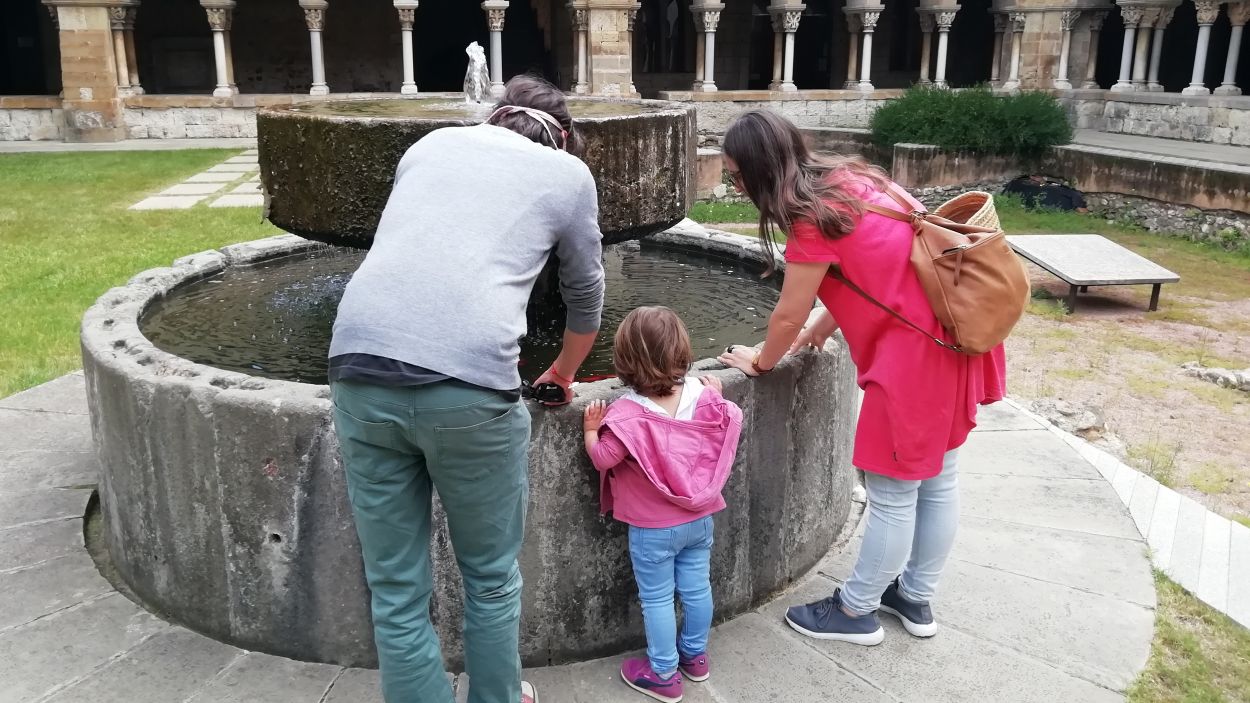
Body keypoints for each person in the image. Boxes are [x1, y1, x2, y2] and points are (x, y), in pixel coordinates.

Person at [328, 75, 606, 703]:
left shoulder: (428, 146)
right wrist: (561, 372)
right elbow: (585, 297)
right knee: (488, 578)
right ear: (563, 139)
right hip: (470, 387)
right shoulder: (567, 176)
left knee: (395, 586)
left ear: (494, 116)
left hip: (357, 366)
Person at [715, 109, 1006, 646]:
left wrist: (761, 362)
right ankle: (914, 597)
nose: (733, 185)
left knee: (893, 495)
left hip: (914, 362)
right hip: (951, 338)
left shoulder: (809, 218)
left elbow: (785, 314)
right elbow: (884, 267)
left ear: (758, 170)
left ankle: (857, 612)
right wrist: (825, 326)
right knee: (939, 480)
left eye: (735, 175)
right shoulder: (854, 179)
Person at [583, 307, 743, 703]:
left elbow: (604, 458)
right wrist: (716, 395)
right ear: (681, 351)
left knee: (657, 598)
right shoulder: (704, 397)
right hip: (699, 519)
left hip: (652, 528)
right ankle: (695, 657)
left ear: (625, 361)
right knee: (696, 588)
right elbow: (718, 424)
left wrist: (590, 431)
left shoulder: (627, 415)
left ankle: (663, 672)